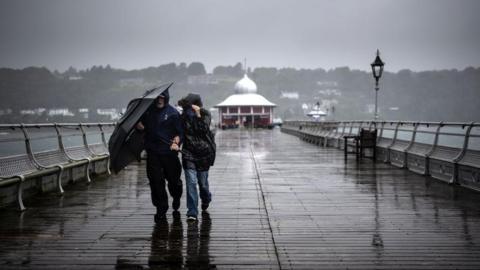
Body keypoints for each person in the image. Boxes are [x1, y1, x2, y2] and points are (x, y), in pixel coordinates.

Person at [136, 88, 183, 223]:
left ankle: (176, 197)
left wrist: (177, 141)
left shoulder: (173, 113)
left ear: (166, 98)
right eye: (158, 98)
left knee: (174, 182)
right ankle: (161, 209)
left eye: (162, 98)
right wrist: (139, 127)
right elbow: (142, 129)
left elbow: (180, 133)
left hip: (169, 152)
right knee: (155, 182)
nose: (160, 100)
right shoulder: (147, 112)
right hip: (153, 152)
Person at [178, 93, 216, 222]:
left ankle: (206, 199)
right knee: (191, 182)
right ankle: (192, 211)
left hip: (204, 153)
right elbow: (180, 132)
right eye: (187, 107)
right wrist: (175, 141)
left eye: (191, 106)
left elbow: (203, 130)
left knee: (203, 184)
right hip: (188, 153)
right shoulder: (183, 117)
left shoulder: (206, 114)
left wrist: (199, 115)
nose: (189, 109)